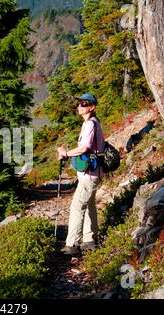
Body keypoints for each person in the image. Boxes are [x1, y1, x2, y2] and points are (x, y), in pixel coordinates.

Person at [57, 93, 105, 255]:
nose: (79, 107)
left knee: (77, 206)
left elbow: (84, 148)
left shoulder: (91, 124)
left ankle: (72, 245)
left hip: (90, 173)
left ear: (92, 107)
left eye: (84, 104)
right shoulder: (89, 124)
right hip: (90, 172)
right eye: (78, 104)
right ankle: (90, 240)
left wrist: (65, 153)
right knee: (89, 204)